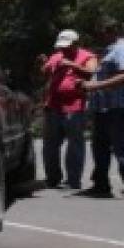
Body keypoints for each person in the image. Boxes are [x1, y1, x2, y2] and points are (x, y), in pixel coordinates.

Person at [81, 18, 124, 199]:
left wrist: (96, 86)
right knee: (99, 147)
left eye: (101, 33)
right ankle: (101, 185)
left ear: (112, 32)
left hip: (117, 106)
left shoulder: (122, 50)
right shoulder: (108, 51)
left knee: (121, 147)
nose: (99, 37)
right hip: (103, 108)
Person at [37, 29, 96, 190]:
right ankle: (53, 177)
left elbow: (91, 72)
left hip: (74, 106)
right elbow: (44, 73)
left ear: (76, 43)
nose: (63, 49)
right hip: (53, 106)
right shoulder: (57, 56)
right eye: (61, 47)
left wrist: (72, 64)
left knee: (75, 145)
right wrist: (43, 65)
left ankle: (73, 179)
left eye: (67, 46)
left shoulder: (87, 56)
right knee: (50, 145)